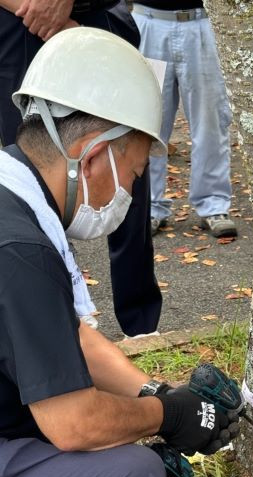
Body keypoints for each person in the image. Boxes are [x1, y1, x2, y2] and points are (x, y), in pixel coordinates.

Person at [0, 28, 239, 477]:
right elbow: (72, 421)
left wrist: (155, 397)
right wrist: (170, 420)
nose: (129, 190)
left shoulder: (15, 202)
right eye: (133, 169)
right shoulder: (17, 248)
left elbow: (74, 336)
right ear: (94, 152)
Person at [0, 0, 163, 337]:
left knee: (127, 171)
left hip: (101, 17)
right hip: (20, 24)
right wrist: (36, 9)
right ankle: (54, 321)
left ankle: (141, 325)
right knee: (38, 177)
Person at [132, 0, 238, 238]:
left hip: (205, 22)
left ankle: (214, 205)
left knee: (211, 122)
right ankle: (148, 206)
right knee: (145, 122)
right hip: (149, 22)